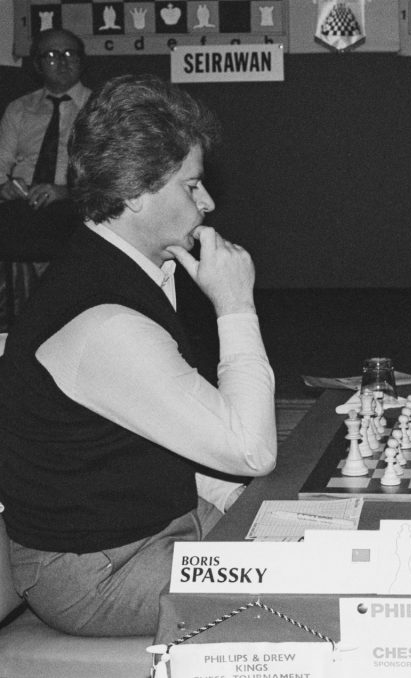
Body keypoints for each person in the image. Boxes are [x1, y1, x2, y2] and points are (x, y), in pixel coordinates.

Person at [0, 74, 277, 637]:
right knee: (304, 585)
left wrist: (255, 505)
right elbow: (251, 451)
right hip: (96, 573)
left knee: (323, 538)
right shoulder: (107, 323)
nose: (208, 202)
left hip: (155, 527)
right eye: (191, 186)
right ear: (134, 192)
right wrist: (236, 306)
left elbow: (164, 438)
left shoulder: (132, 269)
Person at [0, 29, 91, 290]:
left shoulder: (100, 107)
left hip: (74, 207)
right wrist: (5, 188)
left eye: (69, 54)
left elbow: (109, 176)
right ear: (38, 65)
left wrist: (65, 192)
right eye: (51, 54)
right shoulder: (19, 108)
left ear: (81, 61)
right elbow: (1, 163)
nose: (62, 61)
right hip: (22, 206)